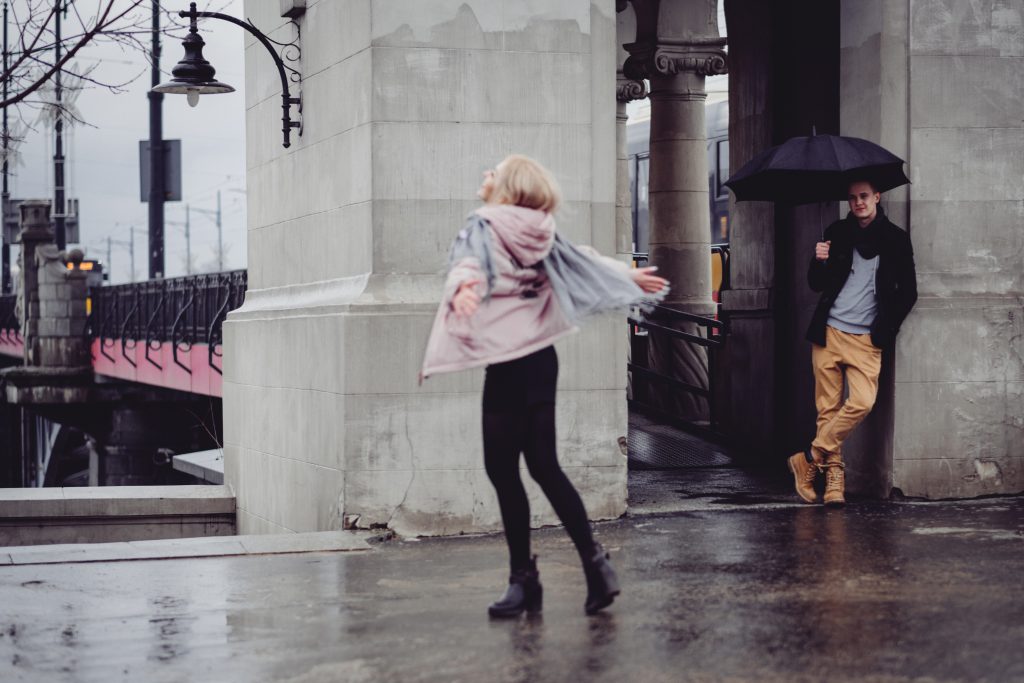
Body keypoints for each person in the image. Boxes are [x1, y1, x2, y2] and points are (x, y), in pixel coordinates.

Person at [420, 154, 668, 617]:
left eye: (491, 172)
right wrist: (626, 274)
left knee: (502, 469)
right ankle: (595, 567)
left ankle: (524, 580)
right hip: (540, 359)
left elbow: (466, 264)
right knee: (544, 466)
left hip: (510, 364)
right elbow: (581, 260)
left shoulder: (485, 224)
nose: (484, 175)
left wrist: (465, 289)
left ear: (507, 187)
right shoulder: (540, 228)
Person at [788, 179, 917, 506]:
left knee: (862, 401)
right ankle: (834, 482)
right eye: (852, 198)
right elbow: (816, 284)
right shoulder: (836, 231)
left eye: (864, 196)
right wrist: (818, 259)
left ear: (877, 197)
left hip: (866, 339)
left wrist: (885, 330)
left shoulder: (896, 239)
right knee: (827, 410)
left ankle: (810, 456)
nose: (858, 203)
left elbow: (909, 292)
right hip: (829, 333)